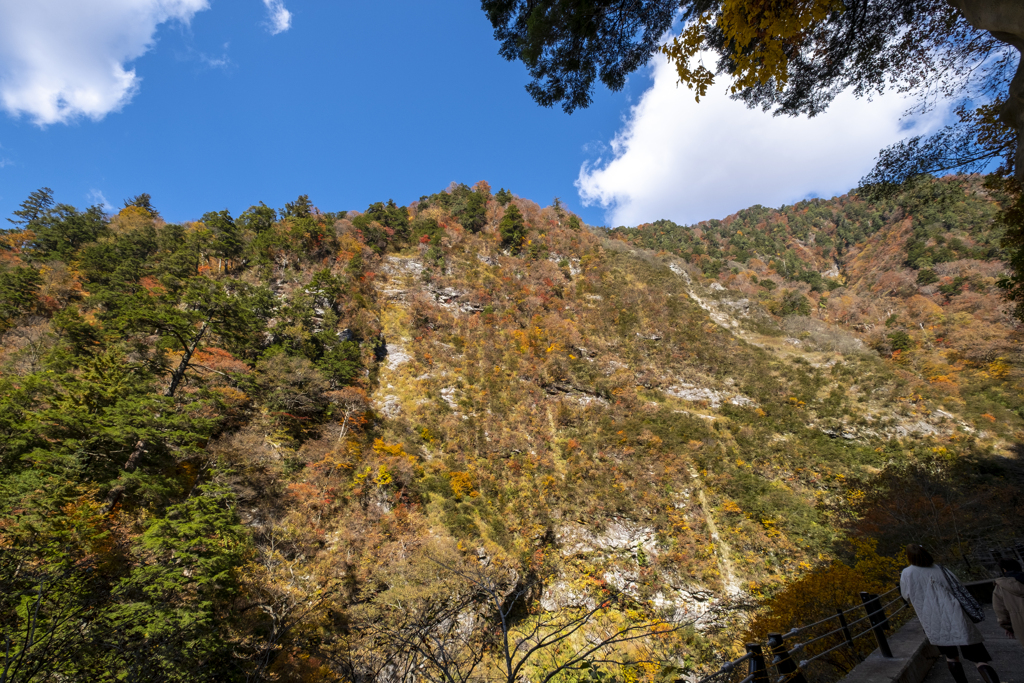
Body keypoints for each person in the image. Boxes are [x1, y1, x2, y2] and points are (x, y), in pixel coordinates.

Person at [900, 544, 1000, 683]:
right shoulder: (941, 569)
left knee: (951, 656)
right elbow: (958, 587)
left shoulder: (907, 573)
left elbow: (906, 596)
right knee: (979, 660)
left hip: (933, 619)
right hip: (956, 614)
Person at [993, 558, 1024, 649]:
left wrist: (1008, 627)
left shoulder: (1000, 588)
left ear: (1004, 570)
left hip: (1020, 623)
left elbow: (1000, 610)